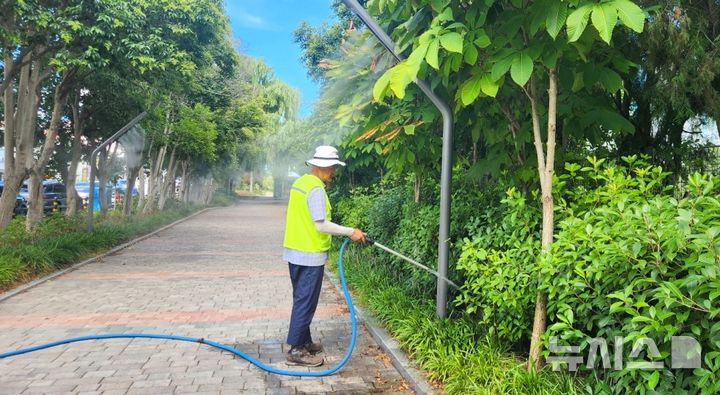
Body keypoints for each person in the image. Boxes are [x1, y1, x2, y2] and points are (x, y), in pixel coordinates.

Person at [283, 145, 366, 367]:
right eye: (333, 169)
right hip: (309, 253)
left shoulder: (300, 183)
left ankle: (304, 341)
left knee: (302, 299)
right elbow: (321, 225)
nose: (334, 173)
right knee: (305, 301)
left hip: (294, 251)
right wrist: (352, 232)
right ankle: (296, 350)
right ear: (324, 166)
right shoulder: (316, 189)